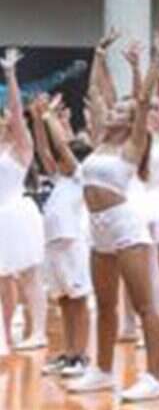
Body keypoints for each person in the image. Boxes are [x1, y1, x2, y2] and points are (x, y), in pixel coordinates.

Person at [67, 34, 159, 401]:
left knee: (144, 306)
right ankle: (103, 370)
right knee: (105, 305)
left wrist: (150, 64)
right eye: (115, 109)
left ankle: (155, 377)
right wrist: (98, 53)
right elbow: (95, 92)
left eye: (121, 111)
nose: (113, 112)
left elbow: (142, 103)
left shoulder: (132, 145)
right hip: (98, 229)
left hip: (126, 227)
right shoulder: (98, 142)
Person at [26, 93, 91, 377]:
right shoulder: (60, 178)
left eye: (65, 157)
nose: (58, 160)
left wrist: (49, 116)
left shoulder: (81, 176)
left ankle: (81, 355)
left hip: (72, 245)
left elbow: (61, 148)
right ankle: (69, 353)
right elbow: (42, 150)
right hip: (52, 247)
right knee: (64, 300)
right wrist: (37, 119)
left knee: (78, 300)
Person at [0, 49, 47, 353]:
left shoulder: (20, 148)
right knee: (2, 278)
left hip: (15, 213)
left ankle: (39, 331)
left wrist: (11, 75)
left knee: (29, 274)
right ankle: (4, 333)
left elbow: (17, 112)